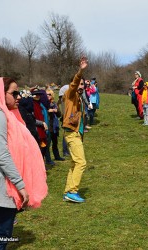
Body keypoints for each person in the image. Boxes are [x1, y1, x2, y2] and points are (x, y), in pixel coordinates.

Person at [0, 76, 48, 249]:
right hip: (1, 183)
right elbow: (2, 154)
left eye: (19, 92)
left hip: (1, 181)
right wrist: (20, 184)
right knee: (0, 235)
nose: (19, 96)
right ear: (0, 92)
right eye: (14, 93)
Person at [62, 57, 88, 203]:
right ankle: (73, 191)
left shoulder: (78, 97)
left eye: (84, 84)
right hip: (72, 133)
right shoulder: (70, 94)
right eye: (80, 83)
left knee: (74, 163)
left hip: (75, 133)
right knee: (81, 162)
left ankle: (67, 191)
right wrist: (80, 71)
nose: (82, 86)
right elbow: (73, 84)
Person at [45, 89, 65, 163]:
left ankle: (57, 156)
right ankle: (48, 159)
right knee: (48, 144)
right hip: (48, 126)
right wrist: (48, 111)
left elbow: (59, 114)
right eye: (46, 94)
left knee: (55, 143)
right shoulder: (44, 103)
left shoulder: (54, 104)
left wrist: (56, 111)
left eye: (49, 94)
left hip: (54, 126)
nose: (48, 96)